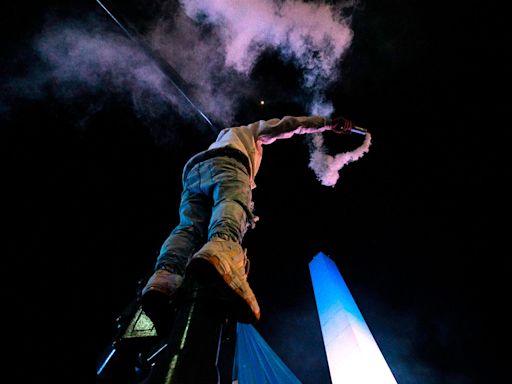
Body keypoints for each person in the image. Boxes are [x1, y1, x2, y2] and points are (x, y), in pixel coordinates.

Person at [140, 115, 355, 328]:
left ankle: (165, 277)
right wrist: (326, 124)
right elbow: (289, 125)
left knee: (188, 228)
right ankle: (221, 253)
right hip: (229, 163)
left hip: (194, 172)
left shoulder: (216, 141)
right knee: (231, 204)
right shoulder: (248, 131)